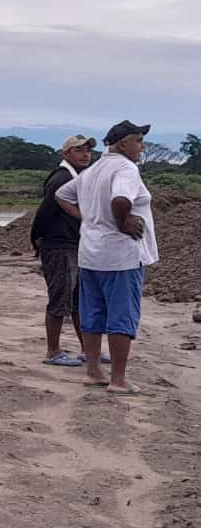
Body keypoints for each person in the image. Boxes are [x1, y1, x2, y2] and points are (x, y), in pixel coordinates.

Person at [56, 120, 159, 395]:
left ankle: (93, 372)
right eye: (138, 140)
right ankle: (118, 379)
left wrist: (88, 219)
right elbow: (121, 200)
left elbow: (62, 195)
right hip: (121, 256)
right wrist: (123, 221)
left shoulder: (93, 170)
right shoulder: (126, 168)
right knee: (121, 316)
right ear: (123, 143)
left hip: (90, 254)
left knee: (92, 313)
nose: (142, 146)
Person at [30, 134, 99, 367]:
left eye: (88, 150)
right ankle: (53, 351)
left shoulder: (77, 177)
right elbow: (44, 212)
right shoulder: (61, 179)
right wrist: (37, 238)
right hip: (59, 246)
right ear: (66, 153)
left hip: (74, 245)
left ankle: (87, 350)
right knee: (60, 298)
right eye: (79, 150)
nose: (86, 154)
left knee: (81, 300)